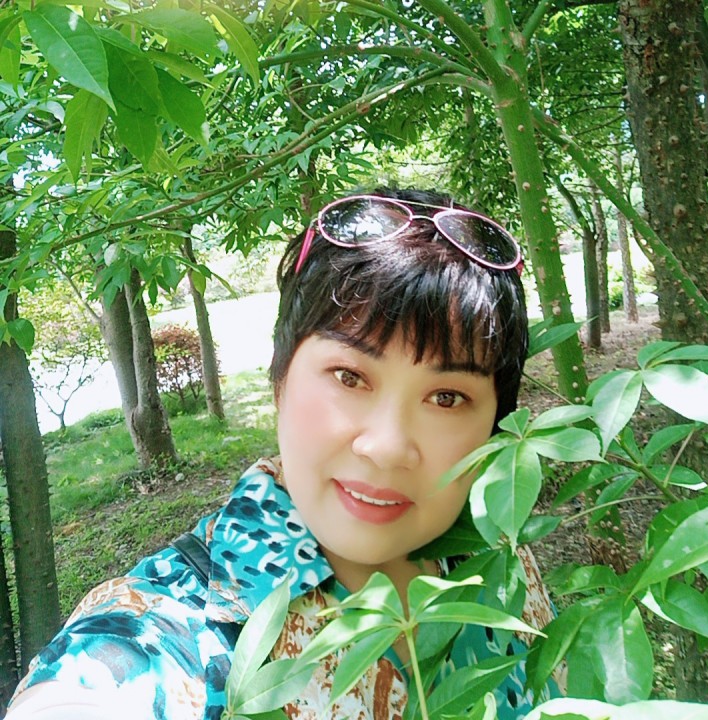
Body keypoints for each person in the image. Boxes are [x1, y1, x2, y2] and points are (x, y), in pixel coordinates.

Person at [6, 188, 557, 720]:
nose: (387, 447)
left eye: (446, 398)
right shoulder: (178, 628)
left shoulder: (499, 551)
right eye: (349, 376)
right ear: (280, 380)